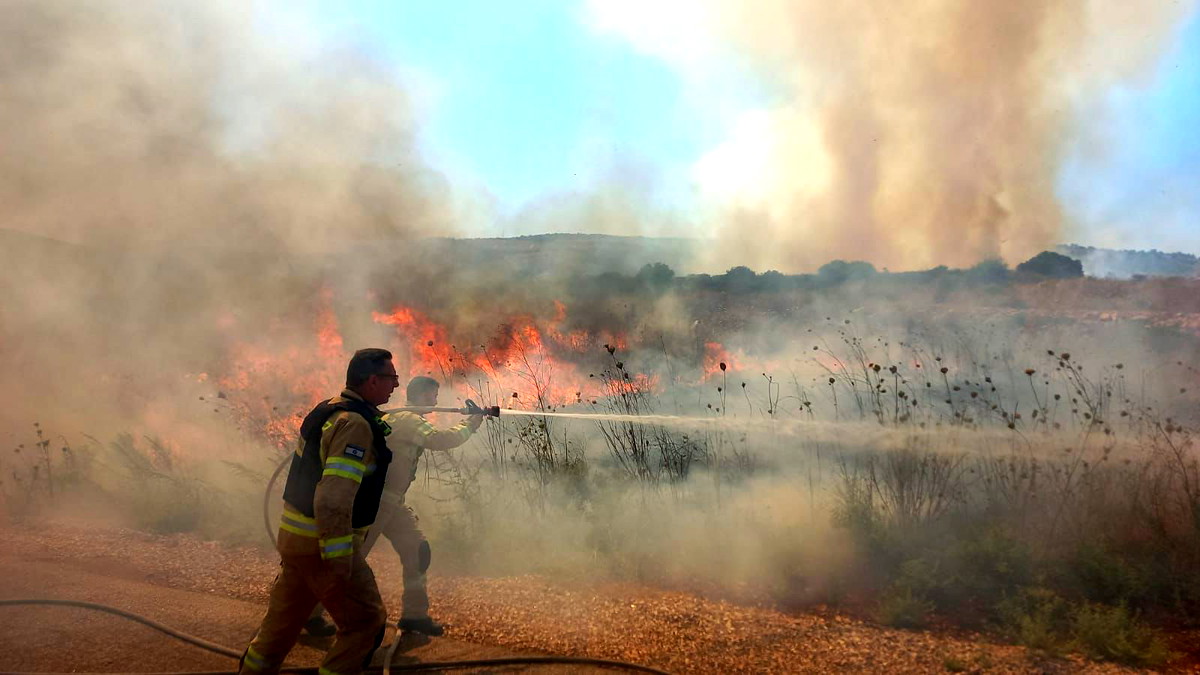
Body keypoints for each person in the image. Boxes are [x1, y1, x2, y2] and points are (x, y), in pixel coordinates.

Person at [240, 348, 399, 675]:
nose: (395, 385)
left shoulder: (327, 410)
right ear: (372, 380)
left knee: (279, 629)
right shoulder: (355, 425)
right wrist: (340, 558)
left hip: (296, 542)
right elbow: (332, 498)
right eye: (391, 378)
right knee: (365, 623)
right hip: (322, 548)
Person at [305, 376, 483, 638]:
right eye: (432, 395)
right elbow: (440, 440)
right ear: (420, 395)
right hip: (376, 503)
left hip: (392, 504)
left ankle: (415, 616)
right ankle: (308, 612)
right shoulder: (408, 420)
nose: (435, 400)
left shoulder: (405, 419)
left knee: (416, 549)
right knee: (350, 560)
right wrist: (472, 423)